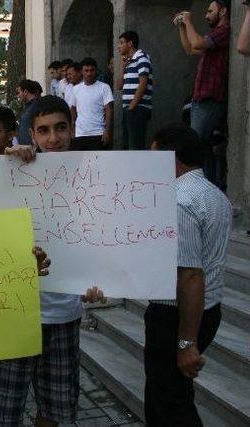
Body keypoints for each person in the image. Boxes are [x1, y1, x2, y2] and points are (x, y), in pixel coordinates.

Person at [0, 96, 105, 426]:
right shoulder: (11, 169)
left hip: (63, 314)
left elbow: (100, 239)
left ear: (73, 128)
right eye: (44, 130)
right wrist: (7, 156)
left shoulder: (96, 178)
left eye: (61, 128)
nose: (53, 138)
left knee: (55, 410)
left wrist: (98, 282)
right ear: (31, 135)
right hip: (13, 313)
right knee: (3, 411)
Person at [144, 124, 231, 425]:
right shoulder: (215, 195)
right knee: (161, 395)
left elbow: (191, 274)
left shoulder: (179, 200)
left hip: (177, 317)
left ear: (171, 158)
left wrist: (186, 343)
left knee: (172, 404)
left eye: (155, 158)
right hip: (207, 311)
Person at [173, 0, 230, 184]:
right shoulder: (214, 34)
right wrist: (182, 27)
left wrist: (189, 21)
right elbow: (191, 48)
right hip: (201, 101)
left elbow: (196, 42)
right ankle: (206, 185)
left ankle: (195, 187)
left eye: (210, 11)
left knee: (193, 147)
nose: (206, 15)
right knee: (204, 150)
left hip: (210, 101)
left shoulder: (224, 31)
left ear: (223, 12)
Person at [117, 31, 153, 150]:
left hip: (137, 109)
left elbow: (143, 83)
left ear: (130, 44)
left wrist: (132, 107)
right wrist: (122, 67)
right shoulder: (128, 62)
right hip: (128, 109)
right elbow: (119, 86)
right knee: (127, 146)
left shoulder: (142, 58)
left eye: (121, 43)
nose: (119, 46)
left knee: (135, 146)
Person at [69, 57, 114, 151]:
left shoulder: (104, 87)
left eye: (92, 70)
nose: (89, 73)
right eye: (86, 70)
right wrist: (72, 129)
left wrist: (107, 131)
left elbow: (109, 110)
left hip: (98, 134)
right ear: (81, 71)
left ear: (96, 71)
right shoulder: (75, 89)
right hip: (80, 134)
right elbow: (72, 109)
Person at [17, 79, 44, 146]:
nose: (18, 95)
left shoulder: (37, 107)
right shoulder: (28, 107)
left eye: (19, 92)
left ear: (25, 92)